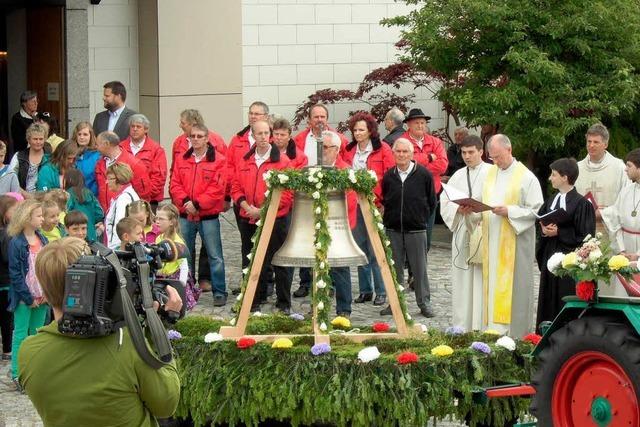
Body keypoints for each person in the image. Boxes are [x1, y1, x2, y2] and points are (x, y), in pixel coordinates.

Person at [19, 237, 181, 425]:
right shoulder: (129, 345)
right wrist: (156, 328)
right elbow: (166, 405)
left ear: (45, 293)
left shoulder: (28, 352)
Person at [479, 134, 543, 337]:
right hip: (492, 241)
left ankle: (515, 335)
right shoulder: (490, 174)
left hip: (515, 245)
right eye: (492, 158)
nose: (495, 161)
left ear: (509, 150)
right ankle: (492, 332)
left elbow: (536, 210)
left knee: (515, 291)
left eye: (498, 156)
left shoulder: (526, 177)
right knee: (491, 289)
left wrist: (511, 211)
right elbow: (483, 200)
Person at [231, 119, 292, 313]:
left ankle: (283, 303)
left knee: (278, 260)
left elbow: (287, 194)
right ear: (253, 136)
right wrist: (245, 205)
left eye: (267, 133)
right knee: (250, 259)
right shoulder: (245, 159)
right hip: (248, 216)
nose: (264, 137)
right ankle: (252, 300)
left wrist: (263, 210)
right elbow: (235, 186)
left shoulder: (282, 161)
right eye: (260, 134)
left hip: (275, 218)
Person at [170, 123, 228, 306]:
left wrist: (197, 204)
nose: (195, 139)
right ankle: (187, 289)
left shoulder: (219, 160)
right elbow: (174, 184)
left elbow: (217, 189)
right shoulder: (181, 159)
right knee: (185, 254)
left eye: (199, 136)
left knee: (215, 255)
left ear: (207, 138)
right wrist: (186, 202)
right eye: (192, 136)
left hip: (208, 216)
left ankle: (219, 291)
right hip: (185, 215)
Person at [342, 111, 395, 306]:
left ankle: (381, 290)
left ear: (370, 130)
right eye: (355, 130)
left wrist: (383, 203)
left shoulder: (383, 150)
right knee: (360, 247)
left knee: (375, 249)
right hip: (354, 204)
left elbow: (389, 178)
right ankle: (365, 289)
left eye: (361, 130)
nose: (357, 133)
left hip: (375, 203)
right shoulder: (349, 151)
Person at [536, 158, 595, 330]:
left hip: (569, 261)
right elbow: (540, 220)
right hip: (550, 254)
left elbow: (586, 236)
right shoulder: (551, 200)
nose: (550, 178)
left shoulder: (582, 204)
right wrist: (544, 230)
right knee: (548, 300)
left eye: (553, 175)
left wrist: (560, 232)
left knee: (565, 298)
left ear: (565, 177)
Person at [440, 135, 492, 330]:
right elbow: (445, 201)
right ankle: (463, 325)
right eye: (464, 153)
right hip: (463, 229)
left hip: (483, 229)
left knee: (481, 279)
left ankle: (482, 324)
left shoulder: (492, 173)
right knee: (463, 280)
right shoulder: (458, 175)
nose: (467, 156)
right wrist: (457, 209)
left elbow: (496, 201)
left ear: (481, 152)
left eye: (471, 152)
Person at [380, 138, 436, 318]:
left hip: (416, 229)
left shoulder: (424, 175)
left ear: (412, 154)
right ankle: (395, 303)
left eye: (405, 152)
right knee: (394, 269)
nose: (402, 155)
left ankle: (424, 303)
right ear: (393, 153)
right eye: (398, 151)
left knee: (420, 269)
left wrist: (420, 218)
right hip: (393, 229)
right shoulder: (389, 176)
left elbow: (431, 202)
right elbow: (385, 200)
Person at [7, 199, 47, 389]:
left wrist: (47, 292)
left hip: (42, 295)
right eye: (38, 215)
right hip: (25, 298)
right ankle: (17, 372)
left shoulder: (43, 239)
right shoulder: (16, 243)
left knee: (37, 334)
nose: (42, 219)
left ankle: (35, 371)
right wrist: (28, 297)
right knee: (21, 334)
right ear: (26, 218)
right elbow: (15, 274)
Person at [399, 108, 448, 250]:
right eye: (417, 123)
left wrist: (417, 166)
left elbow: (443, 166)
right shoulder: (401, 142)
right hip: (409, 194)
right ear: (408, 124)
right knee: (409, 234)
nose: (420, 126)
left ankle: (421, 267)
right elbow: (403, 163)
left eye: (422, 123)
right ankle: (410, 265)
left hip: (430, 194)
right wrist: (429, 157)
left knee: (427, 234)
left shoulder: (435, 142)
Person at [272, 117, 310, 297]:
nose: (278, 138)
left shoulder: (299, 156)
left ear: (289, 136)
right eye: (276, 134)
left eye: (282, 134)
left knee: (291, 247)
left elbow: (297, 184)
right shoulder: (268, 154)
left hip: (293, 208)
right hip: (272, 206)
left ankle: (298, 285)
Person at [319, 131, 356, 316]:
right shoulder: (314, 170)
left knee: (340, 268)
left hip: (340, 227)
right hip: (319, 226)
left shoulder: (345, 171)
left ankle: (344, 309)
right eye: (322, 147)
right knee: (318, 267)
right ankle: (319, 306)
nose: (324, 151)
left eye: (327, 147)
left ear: (337, 149)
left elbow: (349, 203)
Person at [575, 123, 628, 238]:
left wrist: (603, 214)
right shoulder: (577, 168)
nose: (591, 145)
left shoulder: (619, 167)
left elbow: (626, 201)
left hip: (611, 229)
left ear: (605, 144)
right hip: (583, 229)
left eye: (596, 142)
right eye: (589, 141)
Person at [154, 203, 200, 310]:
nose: (157, 221)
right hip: (162, 278)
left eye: (161, 219)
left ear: (171, 222)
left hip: (175, 279)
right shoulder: (158, 238)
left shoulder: (177, 242)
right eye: (156, 218)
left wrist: (181, 285)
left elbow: (184, 266)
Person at [120, 114, 167, 211]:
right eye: (132, 126)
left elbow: (159, 177)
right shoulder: (121, 147)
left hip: (148, 201)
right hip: (124, 199)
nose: (135, 129)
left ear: (146, 130)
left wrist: (145, 196)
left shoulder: (156, 149)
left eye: (138, 127)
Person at [95, 131, 151, 212]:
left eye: (97, 144)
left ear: (106, 144)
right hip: (106, 215)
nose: (95, 147)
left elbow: (143, 194)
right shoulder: (100, 163)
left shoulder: (134, 164)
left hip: (126, 215)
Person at [171, 109, 227, 173]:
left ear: (193, 124)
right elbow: (174, 170)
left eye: (183, 123)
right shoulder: (178, 142)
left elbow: (225, 167)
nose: (180, 126)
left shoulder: (216, 141)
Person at [0, 195, 19, 361]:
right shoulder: (8, 234)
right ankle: (7, 350)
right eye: (14, 210)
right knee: (6, 319)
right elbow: (8, 257)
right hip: (6, 282)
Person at [104, 163, 140, 250]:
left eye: (109, 179)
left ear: (118, 179)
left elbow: (119, 226)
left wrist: (116, 250)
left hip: (119, 248)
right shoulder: (127, 194)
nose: (106, 182)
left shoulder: (124, 198)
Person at [8, 123, 51, 192]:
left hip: (45, 197)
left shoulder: (50, 157)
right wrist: (25, 195)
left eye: (41, 139)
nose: (38, 142)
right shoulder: (19, 156)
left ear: (45, 139)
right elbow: (10, 179)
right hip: (23, 198)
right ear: (28, 140)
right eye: (35, 139)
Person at [65, 169, 104, 242]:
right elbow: (99, 213)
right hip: (91, 233)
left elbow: (66, 213)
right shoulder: (89, 193)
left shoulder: (68, 194)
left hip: (75, 233)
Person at [71, 121, 101, 195]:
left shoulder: (98, 155)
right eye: (79, 134)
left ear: (91, 136)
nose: (82, 137)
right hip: (72, 197)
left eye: (85, 134)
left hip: (92, 198)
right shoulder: (70, 153)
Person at [10, 91, 38, 157]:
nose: (36, 103)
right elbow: (20, 141)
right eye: (33, 101)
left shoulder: (38, 116)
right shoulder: (17, 118)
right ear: (24, 103)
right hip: (24, 155)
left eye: (36, 101)